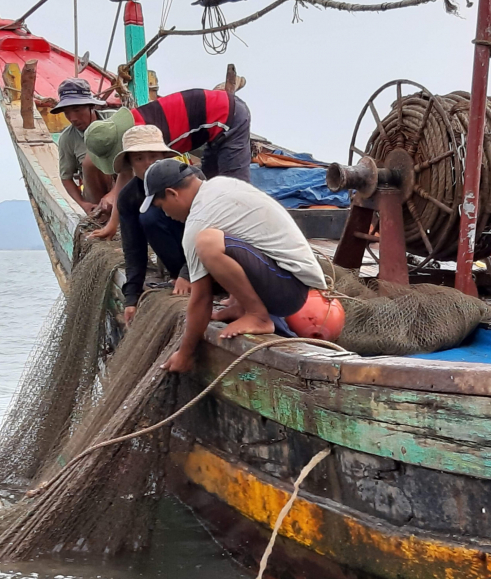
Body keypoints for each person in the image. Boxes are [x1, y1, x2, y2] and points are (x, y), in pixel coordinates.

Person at [138, 159, 326, 373]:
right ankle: (240, 306)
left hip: (289, 289)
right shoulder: (218, 186)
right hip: (288, 282)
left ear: (172, 193)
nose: (165, 214)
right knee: (220, 238)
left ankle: (258, 316)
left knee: (208, 243)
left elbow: (201, 299)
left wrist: (185, 353)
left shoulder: (198, 220)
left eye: (161, 206)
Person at [84, 88, 251, 239]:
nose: (144, 161)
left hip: (228, 116)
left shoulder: (147, 138)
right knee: (208, 187)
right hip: (210, 126)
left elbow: (140, 179)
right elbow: (125, 175)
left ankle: (242, 241)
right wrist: (112, 225)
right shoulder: (130, 131)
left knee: (234, 190)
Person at [112, 126, 192, 326]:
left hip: (208, 256)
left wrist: (188, 273)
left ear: (165, 156)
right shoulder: (129, 197)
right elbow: (134, 249)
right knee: (149, 216)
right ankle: (176, 275)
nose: (148, 164)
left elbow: (208, 230)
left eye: (153, 156)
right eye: (139, 159)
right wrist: (131, 298)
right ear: (130, 163)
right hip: (179, 264)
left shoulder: (190, 181)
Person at [53, 78, 113, 213]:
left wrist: (114, 194)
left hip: (124, 186)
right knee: (90, 161)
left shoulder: (114, 121)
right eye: (67, 112)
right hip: (97, 199)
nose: (72, 117)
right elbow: (66, 177)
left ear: (91, 106)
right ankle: (101, 216)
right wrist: (83, 204)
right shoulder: (67, 138)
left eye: (77, 110)